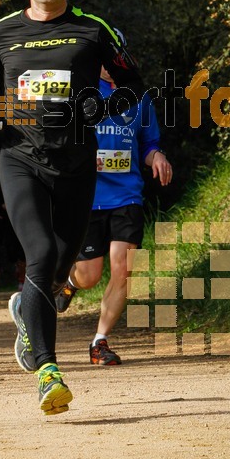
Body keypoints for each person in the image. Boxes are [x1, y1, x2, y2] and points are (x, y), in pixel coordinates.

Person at [0, 0, 147, 415]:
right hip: (20, 159)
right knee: (42, 254)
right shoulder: (1, 31)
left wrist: (105, 105)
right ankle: (48, 371)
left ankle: (27, 312)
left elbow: (133, 83)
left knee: (59, 269)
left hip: (76, 166)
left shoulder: (93, 31)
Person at [55, 32, 172, 364]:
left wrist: (158, 157)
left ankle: (99, 342)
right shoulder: (80, 93)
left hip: (127, 196)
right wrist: (80, 156)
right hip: (89, 197)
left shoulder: (139, 97)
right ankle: (69, 284)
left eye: (115, 54)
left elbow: (148, 144)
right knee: (89, 275)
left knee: (123, 270)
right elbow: (60, 139)